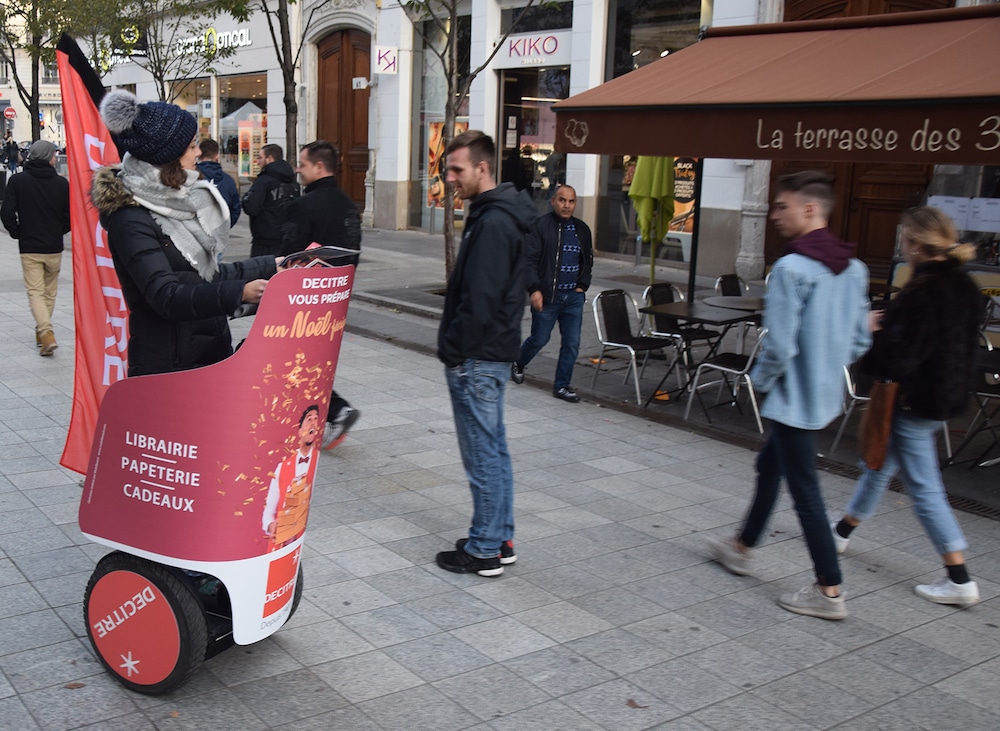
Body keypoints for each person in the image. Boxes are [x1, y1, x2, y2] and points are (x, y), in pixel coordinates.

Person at [705, 170, 871, 620]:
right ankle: (742, 546)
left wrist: (760, 383)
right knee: (769, 466)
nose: (774, 214)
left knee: (805, 491)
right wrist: (827, 362)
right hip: (824, 392)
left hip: (793, 396)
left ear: (810, 209)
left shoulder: (791, 268)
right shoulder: (854, 268)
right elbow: (860, 339)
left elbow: (779, 345)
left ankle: (829, 589)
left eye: (783, 206)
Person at [832, 207, 982, 607]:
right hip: (943, 397)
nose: (901, 243)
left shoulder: (924, 292)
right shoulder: (964, 285)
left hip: (915, 399)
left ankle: (959, 577)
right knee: (879, 465)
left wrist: (871, 331)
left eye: (903, 238)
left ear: (914, 243)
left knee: (924, 489)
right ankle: (842, 531)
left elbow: (899, 359)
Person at [94, 89, 278, 377]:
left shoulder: (178, 202)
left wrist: (273, 266)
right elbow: (167, 296)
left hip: (207, 351)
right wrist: (240, 292)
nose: (198, 153)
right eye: (192, 146)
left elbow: (206, 276)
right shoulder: (130, 219)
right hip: (170, 366)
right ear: (168, 156)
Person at [435, 130, 535, 577]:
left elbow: (481, 298)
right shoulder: (499, 214)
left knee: (482, 455)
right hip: (488, 353)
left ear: (482, 167)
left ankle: (484, 549)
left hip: (477, 356)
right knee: (493, 449)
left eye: (457, 169)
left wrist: (455, 350)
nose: (450, 178)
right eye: (448, 169)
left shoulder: (494, 222)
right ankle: (500, 537)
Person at [282, 140, 362, 449]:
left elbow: (286, 258)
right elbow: (353, 257)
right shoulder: (349, 206)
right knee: (311, 363)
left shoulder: (302, 206)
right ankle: (330, 412)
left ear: (318, 166)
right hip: (334, 300)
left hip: (301, 301)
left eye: (302, 164)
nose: (297, 170)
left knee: (292, 363)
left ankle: (337, 410)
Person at [511, 184, 593, 402]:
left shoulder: (582, 229)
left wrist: (582, 285)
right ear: (553, 201)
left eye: (571, 201)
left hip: (573, 298)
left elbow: (587, 260)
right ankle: (519, 361)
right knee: (539, 339)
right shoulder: (540, 226)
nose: (567, 205)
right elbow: (529, 261)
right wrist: (534, 289)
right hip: (547, 296)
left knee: (572, 343)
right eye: (562, 200)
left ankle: (562, 386)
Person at [1, 140, 70, 356]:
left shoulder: (18, 181)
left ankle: (45, 332)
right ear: (48, 157)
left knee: (35, 292)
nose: (55, 158)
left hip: (29, 246)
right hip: (54, 246)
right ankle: (43, 333)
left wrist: (17, 232)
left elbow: (6, 212)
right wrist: (59, 231)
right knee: (49, 292)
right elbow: (69, 216)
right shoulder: (61, 184)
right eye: (54, 155)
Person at [263, 405, 321, 551]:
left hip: (297, 538)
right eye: (309, 419)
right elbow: (269, 509)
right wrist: (271, 524)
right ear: (300, 431)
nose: (313, 423)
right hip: (279, 544)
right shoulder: (282, 467)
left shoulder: (317, 458)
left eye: (316, 419)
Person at [241, 143, 299, 257]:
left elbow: (251, 207)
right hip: (287, 239)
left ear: (270, 159)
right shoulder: (293, 182)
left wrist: (246, 198)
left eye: (260, 157)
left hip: (264, 241)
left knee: (262, 267)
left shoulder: (264, 181)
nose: (257, 162)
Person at [195, 137, 240, 228]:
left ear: (199, 155)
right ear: (217, 156)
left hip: (196, 229)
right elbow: (235, 209)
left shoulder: (192, 177)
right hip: (220, 228)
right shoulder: (228, 180)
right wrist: (224, 227)